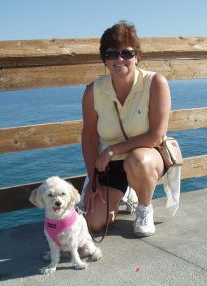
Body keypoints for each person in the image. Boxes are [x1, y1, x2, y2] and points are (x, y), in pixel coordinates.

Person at [81, 20, 172, 237]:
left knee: (138, 161)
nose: (119, 59)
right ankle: (125, 192)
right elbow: (90, 139)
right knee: (94, 223)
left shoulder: (155, 83)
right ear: (105, 59)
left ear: (137, 57)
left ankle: (144, 208)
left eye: (127, 53)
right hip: (111, 165)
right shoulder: (93, 92)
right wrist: (93, 179)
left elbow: (156, 135)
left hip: (148, 157)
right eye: (112, 54)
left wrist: (113, 150)